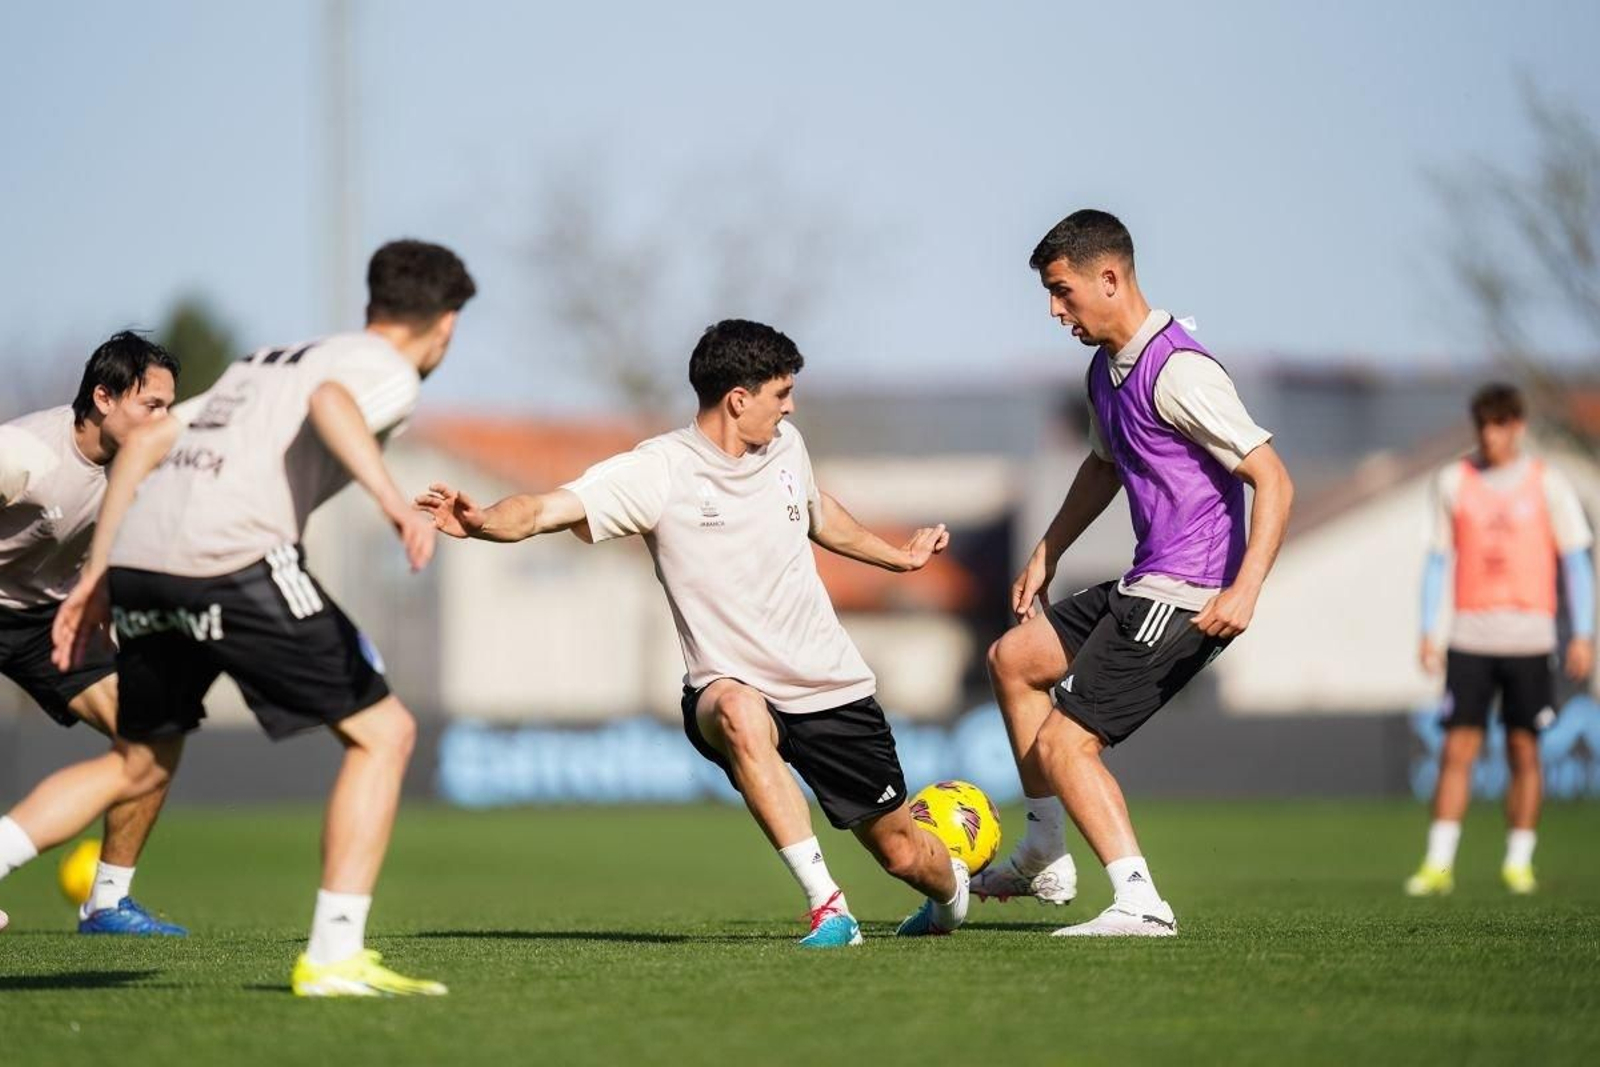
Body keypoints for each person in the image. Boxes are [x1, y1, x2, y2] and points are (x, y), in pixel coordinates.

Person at [417, 318, 969, 946]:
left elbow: (816, 511)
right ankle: (829, 908)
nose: (789, 407)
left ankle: (951, 889)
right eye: (781, 394)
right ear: (738, 399)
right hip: (725, 683)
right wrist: (484, 521)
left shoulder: (787, 446)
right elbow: (546, 508)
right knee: (737, 710)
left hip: (828, 686)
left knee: (904, 855)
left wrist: (896, 557)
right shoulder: (659, 470)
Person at [51, 239, 474, 995]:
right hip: (237, 560)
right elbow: (332, 404)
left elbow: (151, 440)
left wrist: (101, 571)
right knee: (385, 733)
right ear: (445, 324)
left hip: (149, 562)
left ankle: (59, 871)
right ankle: (334, 953)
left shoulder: (268, 359)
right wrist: (392, 501)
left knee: (135, 761)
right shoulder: (385, 370)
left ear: (372, 303)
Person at [974, 209, 1294, 936]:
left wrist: (1245, 589)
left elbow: (1273, 478)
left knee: (1064, 744)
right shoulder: (1104, 371)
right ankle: (1045, 852)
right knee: (1013, 659)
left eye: (1062, 291)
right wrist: (1048, 550)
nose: (1055, 311)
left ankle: (1142, 903)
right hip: (1143, 582)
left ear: (1110, 278)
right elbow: (1103, 466)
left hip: (1186, 595)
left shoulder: (1180, 370)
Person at [0, 332, 184, 936]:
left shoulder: (151, 463)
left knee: (154, 730)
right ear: (104, 398)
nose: (164, 420)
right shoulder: (22, 455)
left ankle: (107, 903)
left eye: (169, 407)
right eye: (151, 405)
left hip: (48, 620)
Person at [1406, 383, 1594, 897]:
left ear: (1517, 427)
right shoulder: (1453, 482)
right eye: (1483, 425)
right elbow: (1437, 560)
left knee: (1523, 749)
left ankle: (1518, 861)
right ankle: (1438, 863)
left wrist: (1583, 633)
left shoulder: (1547, 482)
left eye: (1499, 425)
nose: (1490, 435)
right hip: (1470, 636)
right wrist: (1428, 630)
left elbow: (1576, 562)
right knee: (1457, 748)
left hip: (1530, 639)